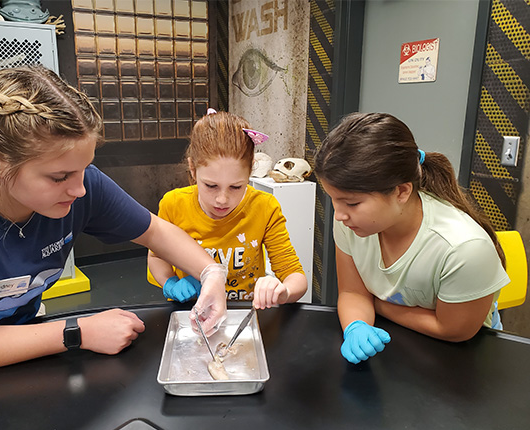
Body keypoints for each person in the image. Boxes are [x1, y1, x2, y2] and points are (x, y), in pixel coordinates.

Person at [0, 65, 227, 370]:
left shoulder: (83, 186)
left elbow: (156, 232)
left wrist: (211, 273)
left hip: (24, 338)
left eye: (84, 169)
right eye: (60, 177)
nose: (80, 190)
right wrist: (77, 331)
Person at [314, 112, 510, 364]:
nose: (339, 214)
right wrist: (356, 326)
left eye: (351, 202)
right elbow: (353, 292)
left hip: (461, 358)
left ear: (402, 192)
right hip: (395, 346)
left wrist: (378, 304)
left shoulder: (463, 248)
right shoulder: (353, 223)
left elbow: (454, 330)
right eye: (334, 199)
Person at [147, 110, 307, 310]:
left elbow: (295, 276)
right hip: (192, 312)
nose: (222, 200)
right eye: (211, 186)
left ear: (251, 171)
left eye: (236, 187)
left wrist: (283, 292)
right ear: (192, 168)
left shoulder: (264, 207)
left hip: (245, 314)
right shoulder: (173, 205)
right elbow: (156, 257)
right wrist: (170, 282)